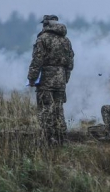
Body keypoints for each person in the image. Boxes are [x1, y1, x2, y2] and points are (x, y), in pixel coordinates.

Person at [27, 15, 74, 146]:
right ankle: (61, 139)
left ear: (46, 24)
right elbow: (70, 62)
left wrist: (32, 78)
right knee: (59, 109)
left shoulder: (43, 39)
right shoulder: (66, 40)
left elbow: (37, 60)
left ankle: (48, 140)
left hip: (46, 79)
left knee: (45, 109)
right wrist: (65, 78)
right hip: (61, 79)